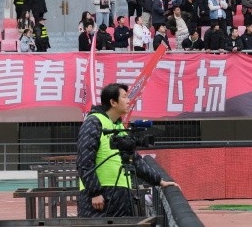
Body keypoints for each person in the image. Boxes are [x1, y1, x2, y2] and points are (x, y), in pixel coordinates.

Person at [76, 83, 178, 218]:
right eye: (124, 97)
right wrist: (95, 192)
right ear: (113, 102)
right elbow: (84, 161)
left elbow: (134, 159)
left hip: (121, 193)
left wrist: (159, 181)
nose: (129, 101)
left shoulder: (118, 126)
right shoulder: (93, 122)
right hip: (99, 196)